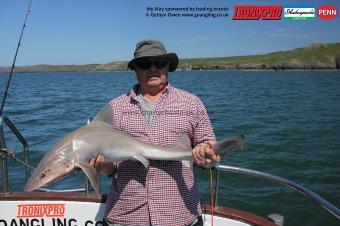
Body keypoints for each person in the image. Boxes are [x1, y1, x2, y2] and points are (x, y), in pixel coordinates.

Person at [90, 40, 220, 226]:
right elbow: (113, 169)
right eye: (144, 64)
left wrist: (209, 157)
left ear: (168, 67)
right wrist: (101, 166)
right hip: (126, 215)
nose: (152, 68)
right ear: (135, 69)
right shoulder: (115, 108)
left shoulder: (192, 103)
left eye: (159, 63)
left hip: (180, 213)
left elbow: (208, 146)